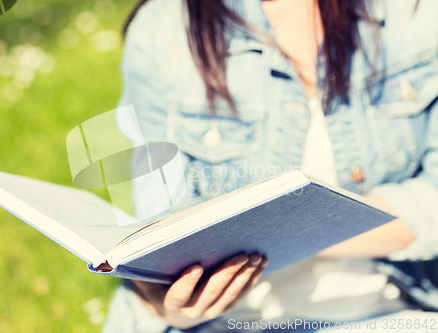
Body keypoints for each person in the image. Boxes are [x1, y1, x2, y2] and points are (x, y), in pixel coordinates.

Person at [103, 0, 438, 332]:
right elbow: (156, 225)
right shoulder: (161, 30)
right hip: (229, 324)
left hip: (390, 314)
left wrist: (285, 231)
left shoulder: (413, 13)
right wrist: (168, 303)